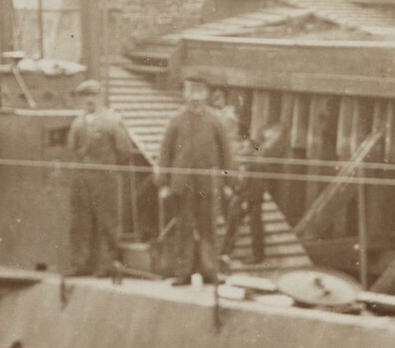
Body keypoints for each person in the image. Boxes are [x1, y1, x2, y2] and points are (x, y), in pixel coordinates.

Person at [157, 70, 240, 284]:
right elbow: (165, 154)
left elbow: (227, 154)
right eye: (191, 92)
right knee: (184, 227)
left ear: (206, 94)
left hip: (209, 184)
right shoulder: (175, 120)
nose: (195, 97)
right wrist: (163, 184)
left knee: (208, 227)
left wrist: (229, 182)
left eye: (200, 92)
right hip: (182, 185)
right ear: (184, 94)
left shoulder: (216, 120)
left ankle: (210, 271)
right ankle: (183, 272)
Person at [65, 78, 141, 276]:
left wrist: (108, 168)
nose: (89, 100)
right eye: (86, 96)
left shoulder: (112, 121)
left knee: (107, 222)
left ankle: (107, 265)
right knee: (80, 223)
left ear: (101, 97)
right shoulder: (77, 123)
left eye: (93, 96)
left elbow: (124, 151)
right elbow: (72, 149)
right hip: (82, 179)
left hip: (105, 178)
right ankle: (80, 264)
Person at [223, 122, 283, 266]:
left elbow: (255, 183)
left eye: (243, 147)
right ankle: (227, 249)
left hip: (251, 196)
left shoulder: (253, 159)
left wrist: (244, 199)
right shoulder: (248, 156)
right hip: (247, 194)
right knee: (237, 219)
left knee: (252, 224)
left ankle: (255, 255)